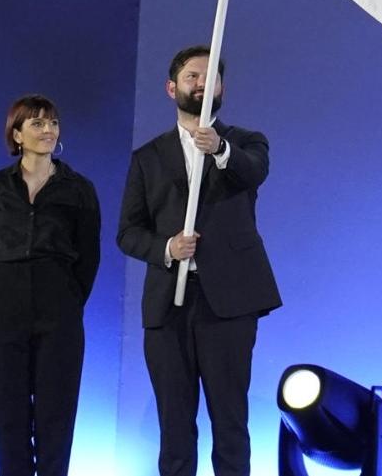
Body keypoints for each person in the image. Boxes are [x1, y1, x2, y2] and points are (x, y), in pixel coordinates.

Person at [118, 45, 281, 476]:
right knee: (174, 426)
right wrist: (166, 249)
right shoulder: (147, 158)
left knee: (230, 422)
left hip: (228, 304)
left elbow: (252, 172)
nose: (202, 84)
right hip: (168, 306)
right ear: (172, 87)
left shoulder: (246, 142)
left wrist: (221, 149)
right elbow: (128, 232)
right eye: (193, 76)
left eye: (212, 77)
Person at [0, 94, 100, 476]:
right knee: (8, 409)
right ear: (17, 133)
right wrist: (8, 282)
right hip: (7, 299)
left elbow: (88, 253)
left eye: (53, 123)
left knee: (56, 411)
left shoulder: (78, 188)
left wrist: (69, 296)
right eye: (38, 123)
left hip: (59, 300)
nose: (48, 130)